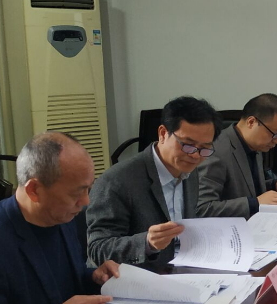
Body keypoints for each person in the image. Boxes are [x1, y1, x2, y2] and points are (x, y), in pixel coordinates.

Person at [0, 133, 119, 304]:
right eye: (77, 192)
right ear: (34, 190)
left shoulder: (61, 217)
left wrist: (94, 277)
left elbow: (56, 284)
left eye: (89, 188)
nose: (86, 201)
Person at [87, 96, 220, 266]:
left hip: (182, 268)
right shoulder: (117, 181)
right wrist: (147, 243)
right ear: (163, 133)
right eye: (187, 145)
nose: (195, 155)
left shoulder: (190, 171)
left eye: (204, 148)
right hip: (139, 276)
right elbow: (97, 249)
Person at [196, 93, 277, 218]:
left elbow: (248, 184)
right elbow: (203, 208)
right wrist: (255, 203)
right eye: (274, 134)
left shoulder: (255, 144)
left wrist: (275, 185)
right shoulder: (215, 151)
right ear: (251, 122)